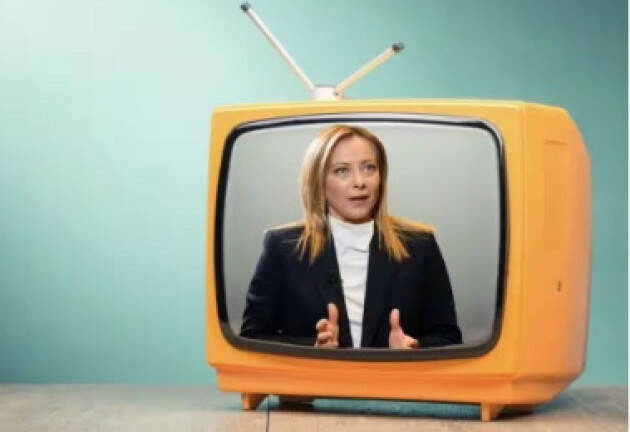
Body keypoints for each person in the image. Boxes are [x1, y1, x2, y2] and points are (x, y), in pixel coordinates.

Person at [240, 125, 462, 349]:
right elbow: (253, 336)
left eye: (368, 168)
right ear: (318, 180)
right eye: (342, 171)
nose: (359, 182)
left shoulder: (420, 245)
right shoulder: (282, 247)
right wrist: (314, 348)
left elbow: (447, 337)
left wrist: (413, 348)